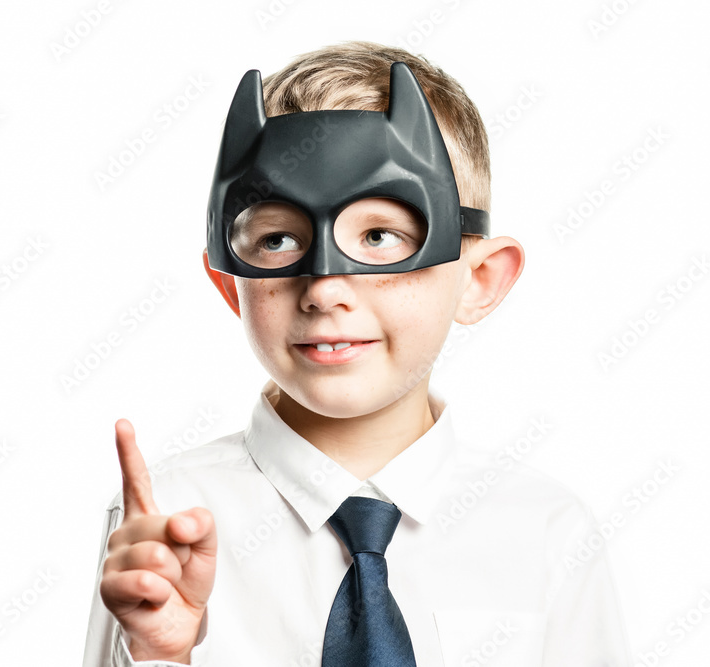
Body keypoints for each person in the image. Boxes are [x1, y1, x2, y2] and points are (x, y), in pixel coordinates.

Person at [81, 40, 631, 666]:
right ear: (231, 283)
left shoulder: (549, 532)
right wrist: (158, 654)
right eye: (279, 238)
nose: (325, 290)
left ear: (479, 280)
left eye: (378, 236)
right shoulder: (166, 520)